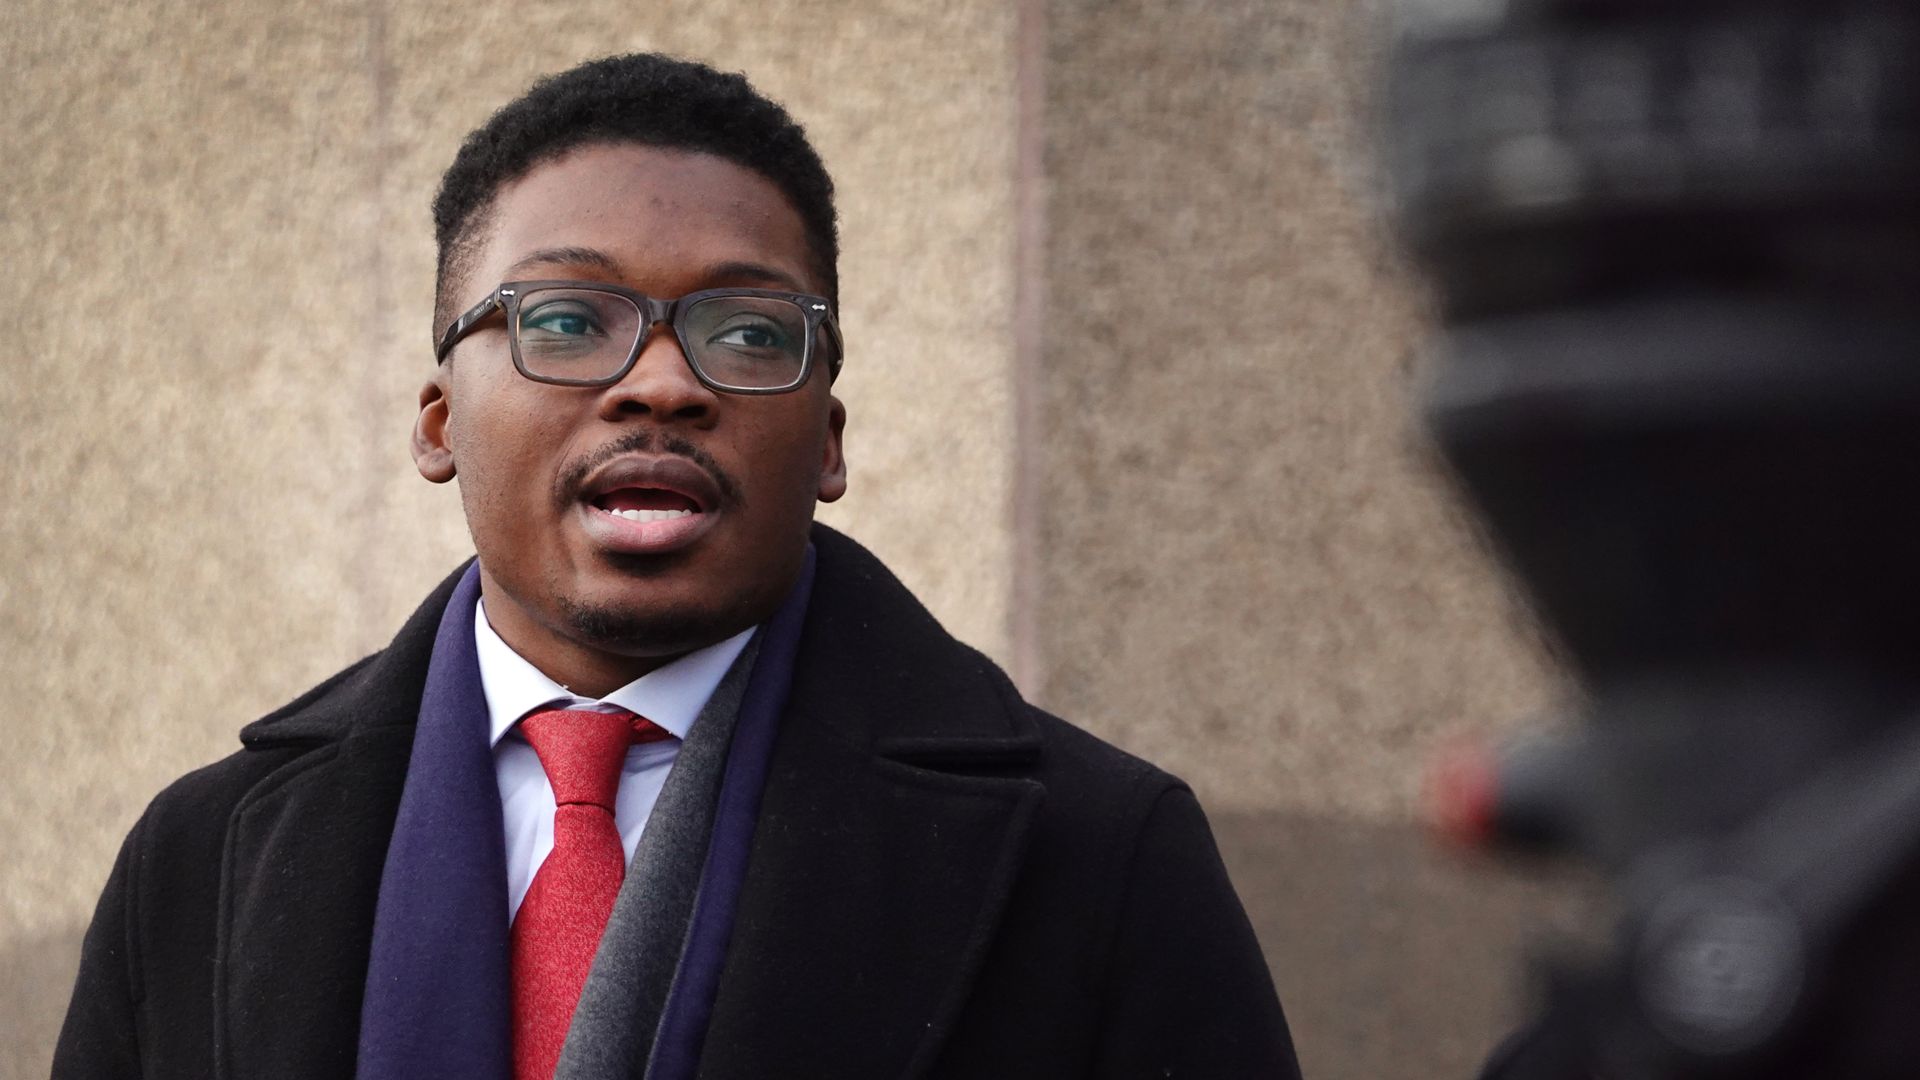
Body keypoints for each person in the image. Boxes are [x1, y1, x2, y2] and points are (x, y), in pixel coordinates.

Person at [52, 53, 1300, 1080]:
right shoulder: (200, 857)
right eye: (565, 322)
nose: (661, 383)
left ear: (828, 441)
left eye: (750, 333)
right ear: (437, 422)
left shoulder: (1101, 854)